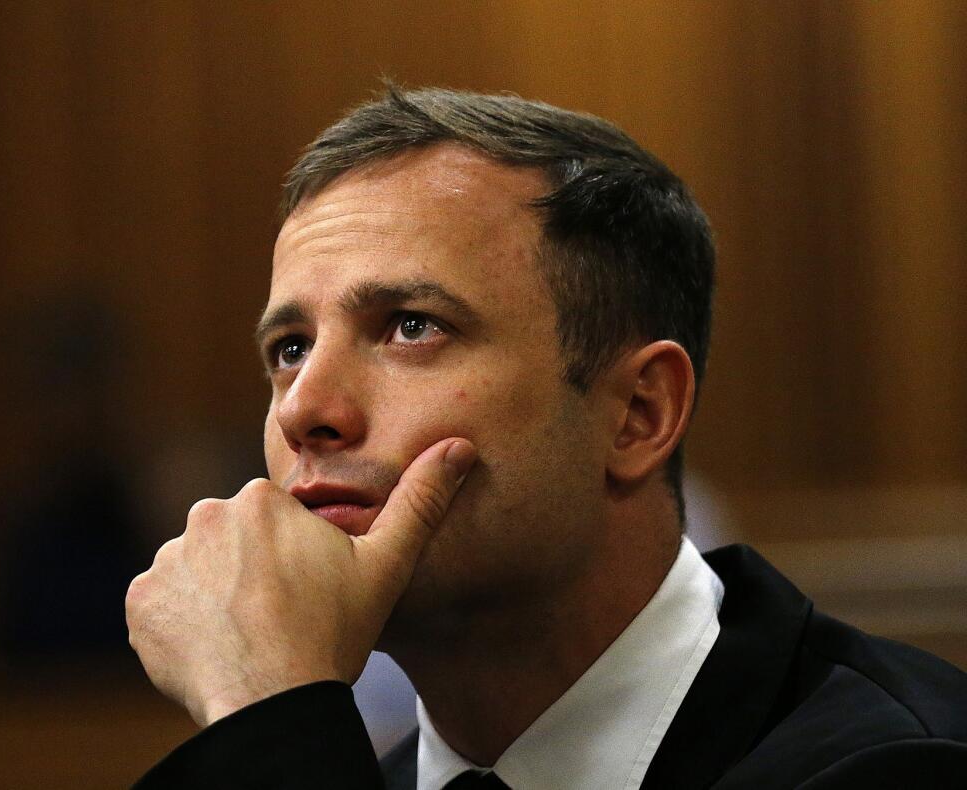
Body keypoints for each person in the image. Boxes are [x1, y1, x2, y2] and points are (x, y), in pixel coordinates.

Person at [125, 86, 967, 789]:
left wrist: (265, 713)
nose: (305, 408)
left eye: (412, 326)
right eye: (291, 348)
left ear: (637, 414)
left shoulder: (899, 764)